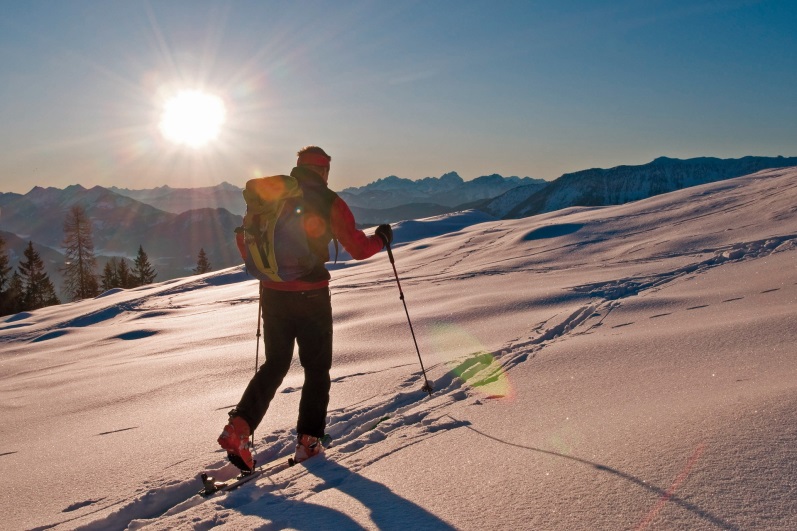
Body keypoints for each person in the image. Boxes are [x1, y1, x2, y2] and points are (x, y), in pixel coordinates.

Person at [218, 146, 393, 471]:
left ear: (299, 168)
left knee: (275, 364)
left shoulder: (268, 197)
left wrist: (273, 271)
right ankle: (309, 442)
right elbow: (356, 247)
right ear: (324, 170)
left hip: (272, 295)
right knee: (316, 369)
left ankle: (238, 429)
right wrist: (382, 240)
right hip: (312, 297)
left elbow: (246, 243)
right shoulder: (328, 201)